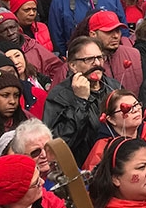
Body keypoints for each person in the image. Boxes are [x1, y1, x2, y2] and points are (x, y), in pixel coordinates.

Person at [42, 36, 121, 164]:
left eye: (99, 57)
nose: (97, 63)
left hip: (117, 160)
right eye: (88, 59)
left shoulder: (114, 86)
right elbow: (59, 143)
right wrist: (81, 101)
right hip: (82, 167)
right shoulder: (58, 96)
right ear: (73, 65)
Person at [84, 89, 146, 173]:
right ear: (111, 119)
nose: (136, 110)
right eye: (127, 108)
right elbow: (95, 184)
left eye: (136, 105)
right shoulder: (103, 148)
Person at [88, 10, 144, 95]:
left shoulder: (134, 54)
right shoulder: (83, 62)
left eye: (117, 30)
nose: (116, 36)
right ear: (93, 34)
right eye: (109, 31)